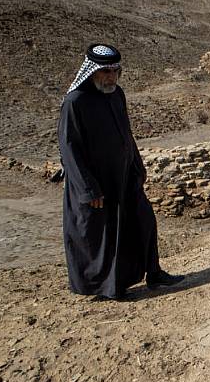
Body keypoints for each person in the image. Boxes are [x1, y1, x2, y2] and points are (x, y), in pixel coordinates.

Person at [58, 44, 183, 299]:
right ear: (92, 71)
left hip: (124, 177)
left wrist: (137, 164)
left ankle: (154, 272)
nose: (111, 77)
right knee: (104, 237)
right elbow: (69, 148)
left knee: (143, 219)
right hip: (97, 184)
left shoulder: (117, 94)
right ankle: (109, 287)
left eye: (115, 71)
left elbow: (126, 134)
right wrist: (88, 188)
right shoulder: (75, 102)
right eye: (105, 72)